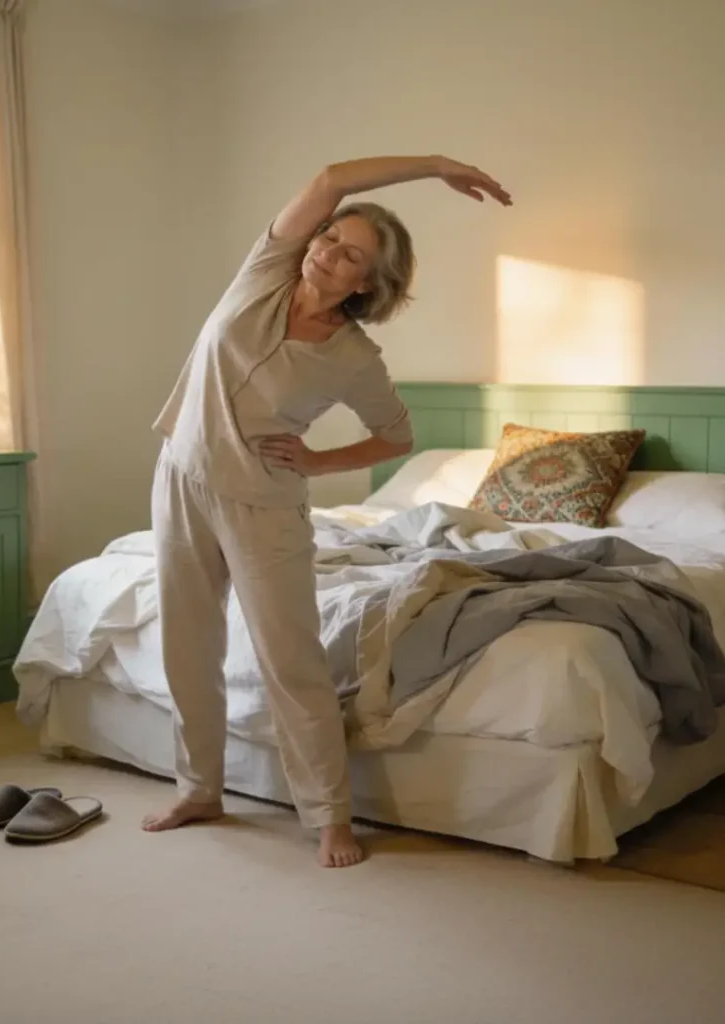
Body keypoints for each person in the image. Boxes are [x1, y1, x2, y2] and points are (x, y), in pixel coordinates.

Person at [143, 154, 512, 867]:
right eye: (327, 239)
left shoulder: (353, 358)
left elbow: (399, 437)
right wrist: (436, 165)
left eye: (349, 254)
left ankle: (330, 817)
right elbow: (332, 178)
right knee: (186, 645)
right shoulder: (264, 274)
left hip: (264, 507)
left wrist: (317, 461)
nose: (326, 252)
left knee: (292, 663)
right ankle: (198, 789)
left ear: (367, 283)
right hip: (182, 477)